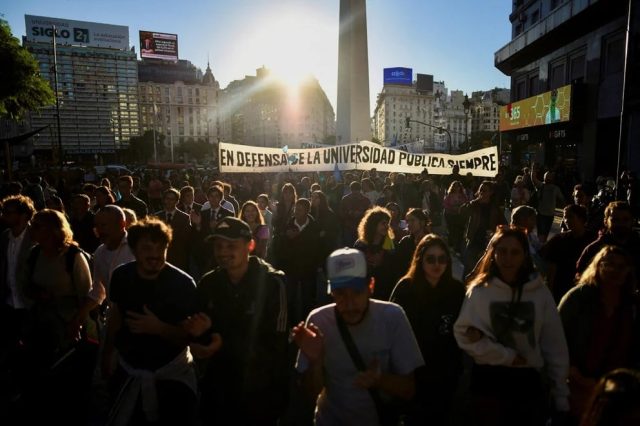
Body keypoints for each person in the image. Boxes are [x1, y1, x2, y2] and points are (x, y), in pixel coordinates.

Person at [293, 248, 424, 426]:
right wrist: (315, 362)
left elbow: (409, 389)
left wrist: (380, 380)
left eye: (356, 292)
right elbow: (310, 394)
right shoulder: (318, 321)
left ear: (371, 286)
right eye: (340, 294)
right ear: (331, 292)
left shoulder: (392, 317)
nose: (349, 303)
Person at [453, 226, 570, 426]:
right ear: (494, 253)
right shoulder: (480, 292)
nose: (508, 258)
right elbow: (464, 335)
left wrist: (561, 395)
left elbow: (554, 344)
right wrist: (506, 356)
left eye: (515, 252)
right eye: (502, 251)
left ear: (525, 255)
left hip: (527, 383)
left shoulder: (539, 293)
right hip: (487, 383)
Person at [185, 217, 289, 425]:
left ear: (250, 245)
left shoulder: (272, 283)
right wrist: (198, 339)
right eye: (218, 246)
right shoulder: (208, 283)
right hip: (218, 389)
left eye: (231, 245)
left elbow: (276, 342)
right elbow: (199, 328)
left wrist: (221, 340)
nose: (223, 252)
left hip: (259, 390)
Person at [102, 218, 199, 425]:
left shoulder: (182, 284)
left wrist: (159, 328)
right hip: (127, 370)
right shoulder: (121, 276)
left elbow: (188, 336)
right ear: (134, 249)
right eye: (147, 248)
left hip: (171, 378)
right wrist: (108, 353)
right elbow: (116, 316)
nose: (155, 254)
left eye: (161, 248)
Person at [20, 209, 95, 424]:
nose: (32, 230)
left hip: (67, 327)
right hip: (39, 325)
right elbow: (25, 285)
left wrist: (77, 322)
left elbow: (85, 294)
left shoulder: (73, 256)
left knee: (66, 379)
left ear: (53, 230)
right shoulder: (34, 254)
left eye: (38, 226)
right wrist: (36, 294)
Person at [390, 235, 465, 425]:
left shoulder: (456, 290)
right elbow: (391, 327)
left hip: (445, 371)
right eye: (430, 259)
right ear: (420, 260)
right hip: (413, 371)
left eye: (442, 259)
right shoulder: (406, 288)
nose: (437, 264)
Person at [558, 245, 640, 421]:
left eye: (621, 266)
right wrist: (572, 372)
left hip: (616, 391)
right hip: (573, 384)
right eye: (608, 264)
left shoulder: (632, 306)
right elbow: (555, 337)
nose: (614, 270)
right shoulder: (578, 298)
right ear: (598, 265)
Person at [540, 204, 597, 302]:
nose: (566, 220)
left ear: (581, 218)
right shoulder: (559, 239)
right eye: (564, 217)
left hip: (585, 287)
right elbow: (552, 267)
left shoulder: (593, 240)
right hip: (561, 288)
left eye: (570, 217)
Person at [576, 201, 640, 275]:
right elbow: (582, 277)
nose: (621, 224)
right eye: (615, 220)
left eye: (626, 219)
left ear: (632, 221)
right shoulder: (594, 250)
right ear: (606, 222)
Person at [460, 181, 507, 276]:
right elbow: (462, 211)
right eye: (480, 189)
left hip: (488, 240)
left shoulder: (495, 207)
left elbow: (503, 224)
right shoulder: (474, 204)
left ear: (491, 192)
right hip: (474, 238)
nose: (482, 192)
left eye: (485, 190)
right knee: (469, 267)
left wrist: (494, 232)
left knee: (486, 267)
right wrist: (475, 201)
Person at [354, 206, 398, 301]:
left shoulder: (389, 244)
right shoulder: (361, 244)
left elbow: (394, 268)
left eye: (388, 223)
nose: (387, 227)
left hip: (385, 291)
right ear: (373, 225)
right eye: (383, 223)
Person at [155, 188, 192, 272]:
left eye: (172, 199)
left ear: (177, 201)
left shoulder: (184, 217)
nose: (169, 201)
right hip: (160, 257)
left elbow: (185, 239)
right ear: (164, 200)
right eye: (167, 198)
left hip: (178, 258)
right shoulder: (157, 217)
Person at [530, 170, 565, 243]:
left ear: (552, 178)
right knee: (541, 233)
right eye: (547, 176)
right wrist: (533, 170)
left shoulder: (555, 188)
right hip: (541, 213)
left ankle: (542, 246)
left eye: (549, 177)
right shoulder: (541, 185)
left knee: (545, 233)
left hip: (550, 214)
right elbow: (533, 179)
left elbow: (562, 198)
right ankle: (540, 246)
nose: (548, 178)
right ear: (544, 177)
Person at [396, 208, 431, 277]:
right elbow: (398, 263)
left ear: (422, 222)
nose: (409, 224)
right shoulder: (405, 241)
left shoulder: (431, 242)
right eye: (407, 221)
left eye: (412, 220)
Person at [340, 181, 372, 246]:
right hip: (351, 225)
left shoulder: (345, 199)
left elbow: (369, 213)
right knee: (356, 246)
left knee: (355, 246)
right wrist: (350, 213)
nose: (355, 194)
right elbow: (341, 213)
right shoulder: (366, 200)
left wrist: (360, 213)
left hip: (356, 225)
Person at [443, 180, 468, 254]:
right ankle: (451, 246)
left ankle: (458, 248)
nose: (456, 188)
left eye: (458, 186)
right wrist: (452, 208)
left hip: (460, 216)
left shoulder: (463, 196)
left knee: (460, 231)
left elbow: (466, 204)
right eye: (455, 186)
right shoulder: (449, 195)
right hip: (450, 215)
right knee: (452, 230)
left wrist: (460, 208)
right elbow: (445, 204)